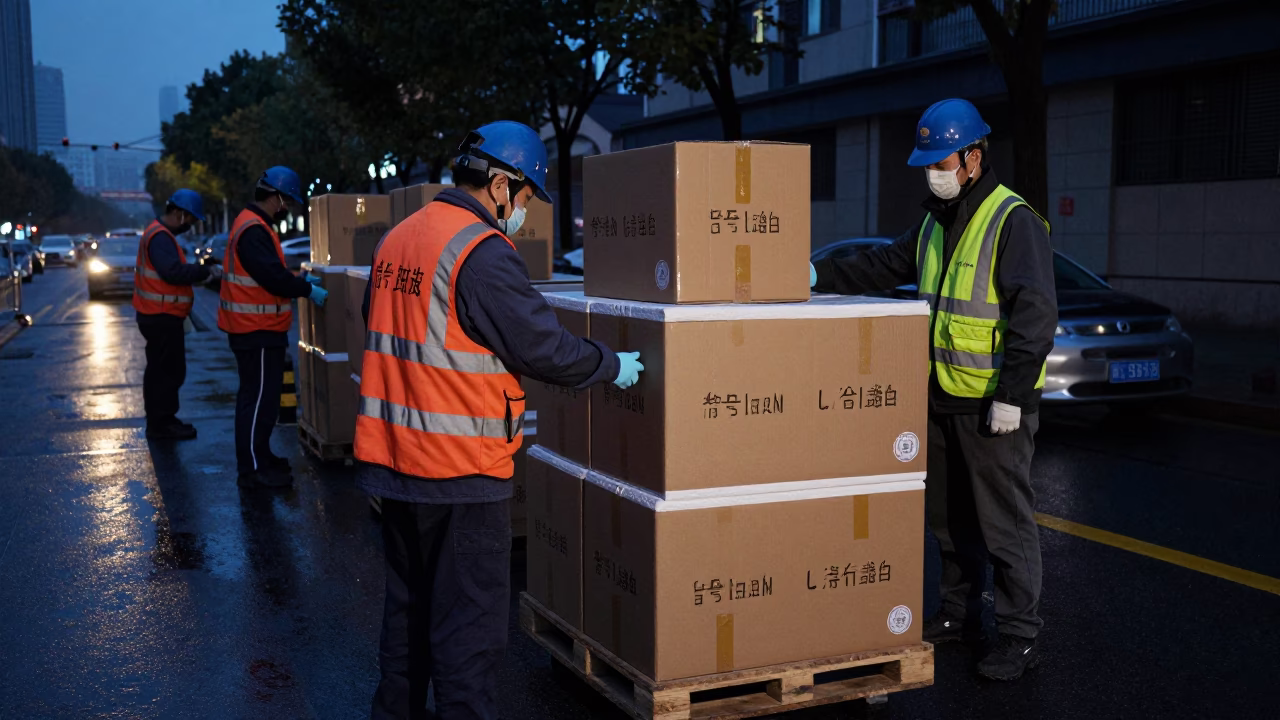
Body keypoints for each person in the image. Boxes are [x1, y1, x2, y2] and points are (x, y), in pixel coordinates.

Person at [356, 121, 644, 720]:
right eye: (527, 198)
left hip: (394, 468)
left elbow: (383, 324)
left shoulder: (399, 239)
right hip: (461, 473)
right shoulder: (479, 252)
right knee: (467, 634)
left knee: (406, 620)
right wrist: (611, 365)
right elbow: (541, 348)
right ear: (499, 184)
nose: (526, 214)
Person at [811, 99, 1057, 681]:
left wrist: (1013, 398)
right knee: (949, 520)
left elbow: (1035, 315)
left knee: (1004, 522)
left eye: (940, 161)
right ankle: (958, 614)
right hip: (941, 395)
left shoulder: (1012, 220)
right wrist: (814, 274)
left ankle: (1020, 635)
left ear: (973, 157)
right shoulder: (932, 221)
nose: (932, 173)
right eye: (926, 164)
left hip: (992, 402)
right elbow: (881, 266)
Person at [217, 166, 328, 489]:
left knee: (263, 400)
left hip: (258, 329)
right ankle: (252, 470)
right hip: (256, 330)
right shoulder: (253, 230)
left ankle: (260, 456)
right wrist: (306, 289)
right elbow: (270, 277)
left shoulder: (253, 225)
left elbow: (266, 275)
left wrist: (299, 281)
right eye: (286, 202)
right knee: (257, 400)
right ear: (275, 197)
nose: (286, 209)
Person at [134, 188, 218, 440]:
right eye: (191, 219)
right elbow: (172, 272)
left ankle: (163, 419)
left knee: (165, 370)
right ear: (180, 214)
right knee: (166, 371)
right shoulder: (159, 237)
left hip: (160, 315)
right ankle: (161, 424)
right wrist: (205, 272)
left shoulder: (160, 234)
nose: (191, 225)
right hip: (160, 316)